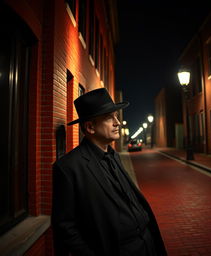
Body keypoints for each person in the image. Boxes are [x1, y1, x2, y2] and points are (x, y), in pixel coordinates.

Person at [51, 88, 167, 256]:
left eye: (116, 116)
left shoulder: (114, 156)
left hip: (147, 245)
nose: (117, 122)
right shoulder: (68, 167)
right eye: (109, 118)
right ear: (90, 127)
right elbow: (65, 229)